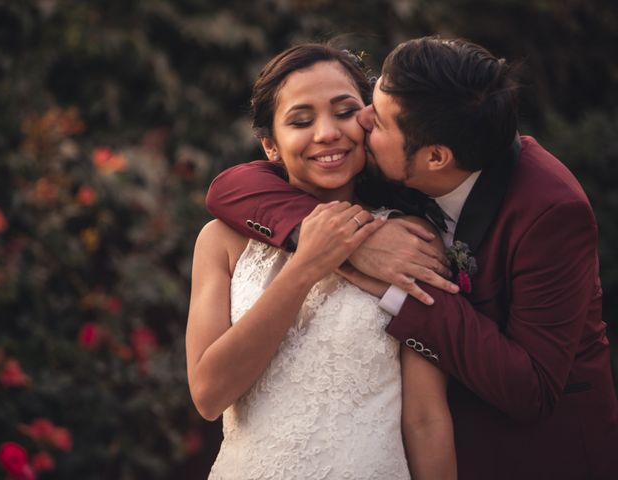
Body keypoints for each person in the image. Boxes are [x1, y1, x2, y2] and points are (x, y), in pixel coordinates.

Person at [205, 37, 618, 479]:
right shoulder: (384, 167)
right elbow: (232, 187)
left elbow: (530, 388)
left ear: (435, 158)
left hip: (533, 457)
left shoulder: (550, 211)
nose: (358, 123)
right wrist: (351, 242)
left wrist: (400, 289)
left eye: (375, 119)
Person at [187, 44, 457, 479]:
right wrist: (307, 265)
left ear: (369, 120)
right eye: (301, 120)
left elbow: (425, 418)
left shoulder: (409, 241)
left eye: (344, 111)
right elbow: (208, 395)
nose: (328, 133)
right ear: (270, 145)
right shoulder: (221, 241)